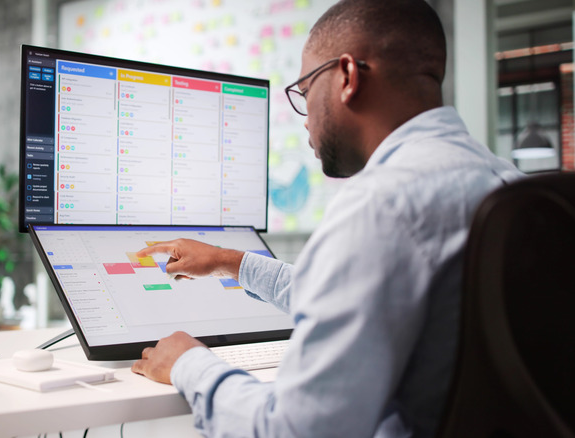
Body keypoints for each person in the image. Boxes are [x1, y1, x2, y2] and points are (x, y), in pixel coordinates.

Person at [131, 0, 523, 436]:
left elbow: (293, 429)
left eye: (303, 91)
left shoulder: (381, 206)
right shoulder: (507, 185)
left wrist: (189, 364)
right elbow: (363, 298)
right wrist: (231, 261)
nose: (305, 122)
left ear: (347, 77)